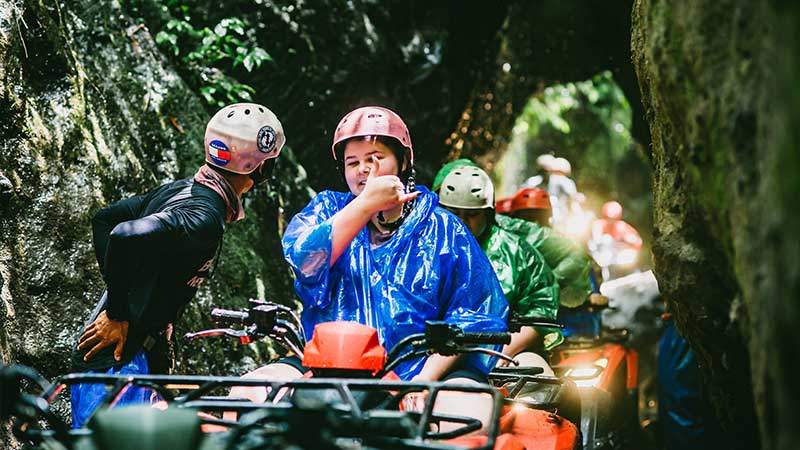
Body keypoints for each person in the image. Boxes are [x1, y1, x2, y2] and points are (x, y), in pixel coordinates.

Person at [235, 107, 507, 402]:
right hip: (329, 365)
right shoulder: (328, 209)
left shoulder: (443, 228)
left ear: (403, 162)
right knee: (245, 392)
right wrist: (365, 205)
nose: (364, 169)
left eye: (376, 158)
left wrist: (423, 382)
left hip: (418, 369)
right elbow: (304, 261)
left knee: (470, 410)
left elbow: (475, 316)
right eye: (353, 162)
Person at [69, 103, 285, 428]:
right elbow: (124, 234)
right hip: (117, 363)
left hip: (123, 360)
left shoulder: (182, 190)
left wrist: (125, 300)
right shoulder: (203, 216)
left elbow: (105, 219)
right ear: (259, 168)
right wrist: (117, 312)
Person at [437, 166, 561, 372]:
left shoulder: (517, 252)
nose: (461, 222)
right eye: (453, 213)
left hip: (508, 352)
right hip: (434, 355)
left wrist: (504, 350)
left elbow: (542, 311)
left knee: (543, 386)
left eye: (471, 215)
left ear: (488, 213)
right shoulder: (423, 250)